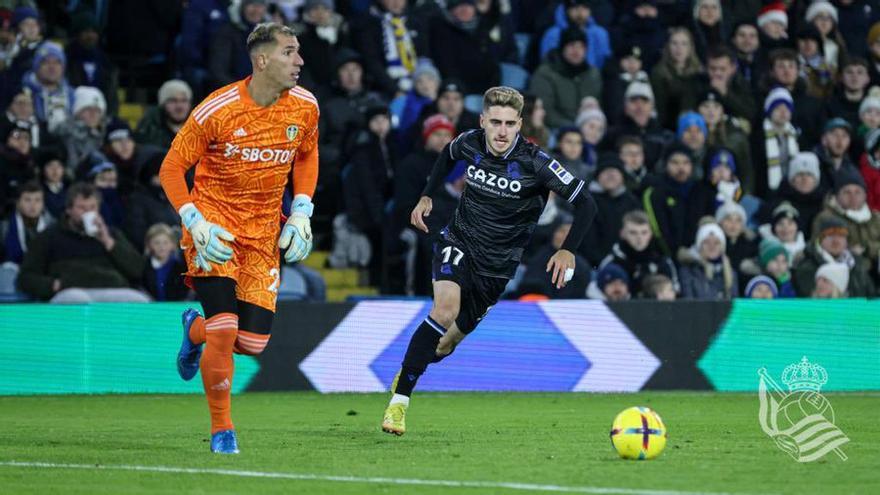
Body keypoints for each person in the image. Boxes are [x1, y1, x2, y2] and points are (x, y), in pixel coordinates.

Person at [382, 86, 597, 435]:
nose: (501, 131)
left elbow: (587, 202)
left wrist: (567, 248)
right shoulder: (470, 141)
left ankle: (413, 363)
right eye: (494, 122)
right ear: (482, 120)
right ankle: (399, 404)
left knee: (444, 344)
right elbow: (445, 156)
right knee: (444, 309)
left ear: (519, 125)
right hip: (459, 241)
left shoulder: (537, 163)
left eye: (509, 123)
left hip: (496, 269)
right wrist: (426, 196)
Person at [158, 23, 319, 454]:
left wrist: (302, 210)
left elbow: (307, 155)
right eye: (289, 52)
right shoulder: (218, 109)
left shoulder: (305, 107)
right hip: (215, 230)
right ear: (262, 60)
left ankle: (194, 330)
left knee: (252, 342)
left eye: (298, 52)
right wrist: (194, 221)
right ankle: (222, 430)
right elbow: (171, 169)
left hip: (264, 233)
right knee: (226, 331)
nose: (299, 61)